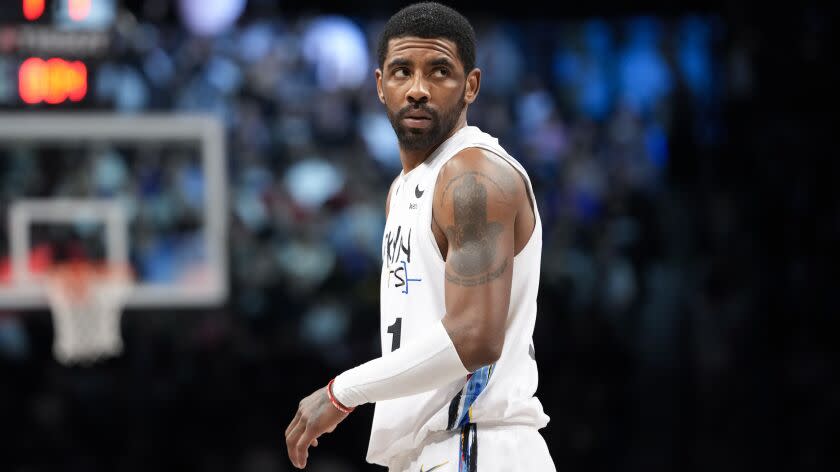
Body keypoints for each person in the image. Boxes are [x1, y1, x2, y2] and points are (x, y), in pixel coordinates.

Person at [285, 3, 555, 470]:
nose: (416, 89)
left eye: (439, 72)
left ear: (470, 85)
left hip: (476, 444)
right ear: (379, 85)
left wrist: (342, 391)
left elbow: (475, 338)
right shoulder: (404, 189)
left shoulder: (473, 175)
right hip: (431, 451)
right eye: (402, 72)